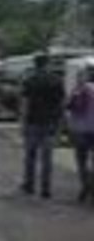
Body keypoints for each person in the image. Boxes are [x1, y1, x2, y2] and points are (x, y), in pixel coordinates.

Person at [19, 53, 65, 199]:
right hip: (50, 122)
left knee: (30, 155)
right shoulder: (56, 81)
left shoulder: (30, 80)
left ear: (35, 64)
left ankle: (29, 184)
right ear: (48, 64)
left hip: (33, 121)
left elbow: (25, 104)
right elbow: (61, 104)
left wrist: (22, 122)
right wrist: (60, 124)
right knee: (47, 158)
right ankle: (46, 188)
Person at [66, 60, 94, 202]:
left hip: (81, 130)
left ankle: (86, 185)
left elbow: (70, 108)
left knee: (81, 161)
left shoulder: (79, 89)